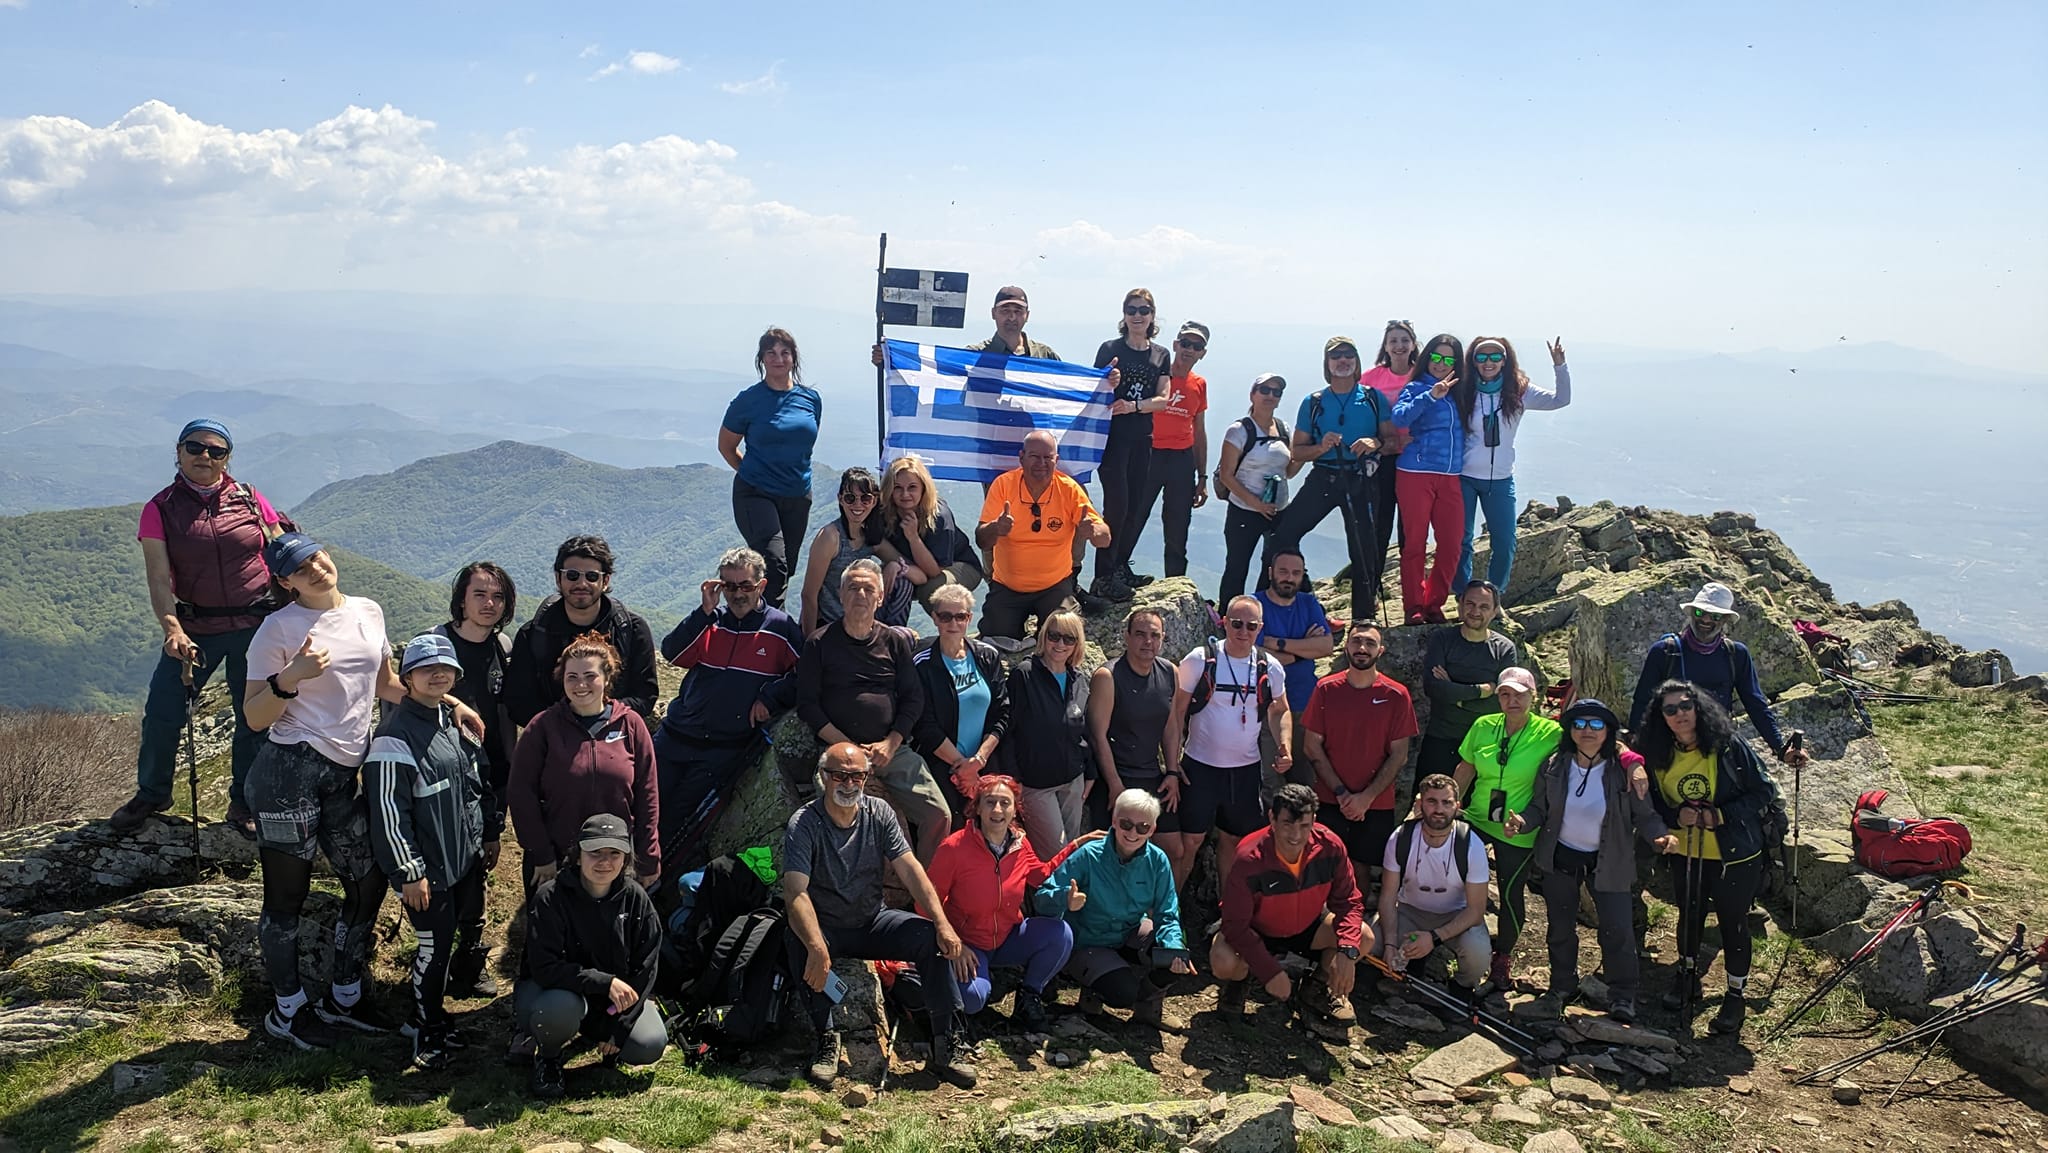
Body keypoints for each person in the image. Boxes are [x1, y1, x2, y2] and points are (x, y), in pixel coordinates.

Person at [243, 532, 482, 1049]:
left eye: (316, 556)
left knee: (370, 880)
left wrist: (449, 705)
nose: (315, 568)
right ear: (285, 582)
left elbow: (385, 686)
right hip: (288, 773)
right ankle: (287, 1011)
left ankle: (343, 998)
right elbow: (255, 716)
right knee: (287, 898)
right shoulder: (277, 629)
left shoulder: (368, 611)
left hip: (342, 774)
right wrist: (291, 677)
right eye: (299, 568)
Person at [115, 418, 285, 838]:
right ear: (178, 451)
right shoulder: (161, 508)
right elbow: (158, 577)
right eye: (195, 447)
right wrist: (171, 627)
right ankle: (152, 793)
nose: (204, 457)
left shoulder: (248, 498)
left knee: (255, 719)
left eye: (216, 451)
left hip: (257, 624)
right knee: (162, 713)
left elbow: (282, 552)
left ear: (228, 458)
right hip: (195, 628)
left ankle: (244, 802)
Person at [784, 742, 976, 1088]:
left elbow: (911, 871)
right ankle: (826, 1040)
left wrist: (943, 924)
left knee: (930, 937)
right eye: (839, 775)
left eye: (857, 776)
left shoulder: (880, 812)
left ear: (866, 777)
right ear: (823, 778)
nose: (848, 784)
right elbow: (795, 891)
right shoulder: (805, 823)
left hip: (873, 920)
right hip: (828, 926)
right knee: (797, 939)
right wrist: (816, 945)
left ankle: (948, 1042)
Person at [1503, 698, 1677, 1024]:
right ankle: (1561, 986)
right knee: (1560, 927)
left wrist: (1659, 836)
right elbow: (1539, 808)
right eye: (1579, 724)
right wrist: (1522, 823)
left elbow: (1646, 813)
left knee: (1617, 929)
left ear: (1609, 731)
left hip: (1608, 859)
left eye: (1596, 724)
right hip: (1560, 856)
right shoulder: (1554, 765)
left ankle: (1622, 995)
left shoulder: (1623, 771)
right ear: (1568, 730)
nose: (1587, 731)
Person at [364, 634, 493, 1069]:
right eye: (426, 669)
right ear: (406, 677)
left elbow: (470, 792)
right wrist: (409, 872)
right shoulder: (393, 736)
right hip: (428, 872)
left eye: (446, 669)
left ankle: (434, 1019)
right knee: (432, 950)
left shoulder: (450, 723)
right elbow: (387, 812)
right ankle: (424, 1028)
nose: (437, 675)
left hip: (459, 862)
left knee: (440, 944)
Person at [1637, 680, 1786, 1036]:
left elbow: (1764, 790)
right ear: (1661, 717)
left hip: (1735, 853)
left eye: (1685, 705)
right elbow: (1654, 804)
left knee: (1734, 922)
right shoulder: (1656, 753)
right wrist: (1675, 818)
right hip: (1685, 851)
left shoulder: (1729, 746)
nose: (1679, 714)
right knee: (1689, 915)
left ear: (1698, 707)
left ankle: (1735, 995)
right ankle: (1686, 975)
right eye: (1669, 710)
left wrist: (1719, 816)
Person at [653, 547, 802, 871]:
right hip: (676, 736)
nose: (737, 594)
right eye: (729, 586)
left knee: (679, 818)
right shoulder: (710, 622)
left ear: (761, 586)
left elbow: (805, 674)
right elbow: (672, 652)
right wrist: (703, 612)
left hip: (722, 749)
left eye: (745, 585)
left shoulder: (780, 627)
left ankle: (652, 885)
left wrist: (770, 696)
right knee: (641, 802)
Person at [794, 559, 951, 862]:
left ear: (880, 598)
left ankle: (923, 890)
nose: (861, 595)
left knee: (938, 814)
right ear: (840, 595)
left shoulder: (892, 641)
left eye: (869, 589)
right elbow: (808, 706)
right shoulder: (819, 643)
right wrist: (847, 747)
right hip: (839, 751)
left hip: (890, 750)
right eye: (853, 588)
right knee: (840, 819)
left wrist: (891, 743)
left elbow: (913, 698)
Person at [518, 814, 667, 1099]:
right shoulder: (550, 897)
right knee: (560, 1009)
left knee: (650, 1043)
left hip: (609, 1000)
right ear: (578, 856)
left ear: (625, 859)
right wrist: (604, 982)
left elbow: (646, 968)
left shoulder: (636, 898)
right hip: (553, 992)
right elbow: (544, 968)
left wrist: (620, 1026)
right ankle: (548, 1057)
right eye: (595, 852)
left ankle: (602, 1038)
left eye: (614, 853)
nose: (604, 861)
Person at [508, 631, 662, 893]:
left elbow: (648, 795)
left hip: (613, 859)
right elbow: (521, 794)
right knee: (554, 932)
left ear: (607, 678)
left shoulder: (631, 724)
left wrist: (647, 857)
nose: (581, 684)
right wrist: (541, 855)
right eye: (572, 677)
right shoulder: (543, 727)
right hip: (556, 860)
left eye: (590, 676)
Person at [923, 775, 1075, 1028]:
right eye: (990, 802)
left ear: (1015, 809)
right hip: (968, 943)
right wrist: (955, 944)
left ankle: (1029, 996)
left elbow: (1041, 875)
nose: (997, 810)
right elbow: (926, 902)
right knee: (972, 1000)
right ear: (977, 808)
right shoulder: (954, 847)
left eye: (1005, 803)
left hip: (1008, 936)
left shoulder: (1020, 842)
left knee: (1061, 934)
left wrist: (1075, 847)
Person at [429, 562, 517, 997]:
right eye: (479, 594)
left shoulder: (503, 645)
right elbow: (409, 691)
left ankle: (471, 957)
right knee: (444, 864)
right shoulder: (437, 642)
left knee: (481, 860)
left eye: (497, 596)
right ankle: (436, 960)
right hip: (445, 774)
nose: (489, 603)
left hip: (494, 772)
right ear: (461, 597)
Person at [1163, 595, 1290, 893]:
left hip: (1244, 772)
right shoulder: (1200, 660)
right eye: (1236, 623)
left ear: (1260, 628)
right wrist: (1171, 766)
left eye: (1251, 625)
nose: (1243, 631)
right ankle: (1171, 911)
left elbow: (1279, 709)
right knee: (1189, 842)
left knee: (1234, 841)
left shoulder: (1268, 667)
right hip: (1200, 768)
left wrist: (1285, 744)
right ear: (1224, 623)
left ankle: (1227, 909)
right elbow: (1176, 713)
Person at [1212, 784, 1370, 1023]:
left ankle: (1315, 987)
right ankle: (1238, 983)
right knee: (1223, 960)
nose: (1296, 835)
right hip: (1257, 929)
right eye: (1287, 824)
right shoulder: (1249, 857)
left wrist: (1347, 951)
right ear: (1272, 819)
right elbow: (1234, 925)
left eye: (1304, 826)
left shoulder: (1331, 846)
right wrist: (1270, 972)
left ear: (1314, 820)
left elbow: (1349, 901)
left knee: (1364, 937)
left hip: (1308, 925)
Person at [1033, 788, 1195, 1017]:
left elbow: (1167, 914)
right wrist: (1064, 900)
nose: (1133, 833)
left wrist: (1174, 948)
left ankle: (1147, 1005)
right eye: (1126, 824)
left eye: (1143, 827)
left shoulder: (1158, 860)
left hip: (1128, 932)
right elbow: (1042, 898)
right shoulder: (1088, 855)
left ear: (1153, 829)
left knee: (1175, 956)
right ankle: (1097, 990)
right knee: (1122, 992)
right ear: (1114, 821)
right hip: (1087, 942)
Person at [1266, 337, 1395, 618]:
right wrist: (1321, 447)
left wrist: (1375, 443)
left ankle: (1363, 620)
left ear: (1357, 361)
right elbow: (1297, 452)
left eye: (1348, 355)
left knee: (1363, 551)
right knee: (1284, 534)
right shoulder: (1313, 402)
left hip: (1363, 478)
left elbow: (1393, 442)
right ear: (1327, 364)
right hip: (1324, 476)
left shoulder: (1373, 398)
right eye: (1336, 356)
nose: (1342, 361)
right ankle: (1305, 598)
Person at [1452, 666, 1560, 998]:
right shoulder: (1484, 726)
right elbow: (1467, 766)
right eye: (1505, 694)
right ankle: (1450, 938)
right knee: (1450, 871)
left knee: (1511, 892)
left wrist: (1631, 761)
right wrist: (1450, 803)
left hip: (1518, 827)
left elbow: (1595, 742)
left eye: (1520, 694)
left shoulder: (1552, 732)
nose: (1512, 700)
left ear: (1534, 696)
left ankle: (1502, 957)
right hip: (1478, 817)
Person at [1628, 582, 1810, 767]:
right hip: (1671, 747)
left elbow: (1755, 704)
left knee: (1763, 791)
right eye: (1700, 613)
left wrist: (1780, 748)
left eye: (1715, 616)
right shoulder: (1665, 652)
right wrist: (1634, 756)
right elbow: (1643, 702)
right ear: (1691, 613)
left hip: (1718, 745)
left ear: (1725, 620)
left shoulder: (1736, 654)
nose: (1706, 620)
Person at [1453, 337, 1572, 598]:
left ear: (1505, 361)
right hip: (1463, 477)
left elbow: (1561, 400)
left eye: (1495, 357)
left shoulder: (1519, 390)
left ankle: (1493, 596)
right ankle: (1463, 596)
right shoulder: (1463, 389)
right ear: (1472, 361)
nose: (1488, 363)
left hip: (1500, 479)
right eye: (1481, 357)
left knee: (1505, 541)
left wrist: (1560, 366)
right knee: (1461, 541)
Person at [975, 431, 1113, 649]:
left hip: (1054, 586)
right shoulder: (1003, 485)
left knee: (1062, 636)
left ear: (1056, 460)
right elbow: (982, 540)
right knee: (995, 637)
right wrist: (995, 528)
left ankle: (1069, 604)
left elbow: (1104, 538)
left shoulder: (1069, 489)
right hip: (1008, 587)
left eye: (1048, 457)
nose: (1042, 463)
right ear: (1021, 458)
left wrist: (1095, 532)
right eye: (1034, 456)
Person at [1302, 624, 1418, 877]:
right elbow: (1311, 746)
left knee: (1361, 869)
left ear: (1381, 650)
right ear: (1346, 646)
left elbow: (1400, 754)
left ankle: (1356, 916)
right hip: (1329, 798)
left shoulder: (1397, 695)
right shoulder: (1326, 689)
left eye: (1370, 643)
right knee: (1325, 865)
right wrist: (1342, 793)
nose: (1362, 648)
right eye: (1356, 641)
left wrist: (1366, 797)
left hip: (1376, 803)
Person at [505, 536, 660, 725]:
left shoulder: (631, 630)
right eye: (572, 575)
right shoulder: (533, 634)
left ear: (606, 580)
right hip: (553, 743)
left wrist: (599, 717)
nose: (581, 584)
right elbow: (519, 702)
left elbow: (645, 696)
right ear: (558, 578)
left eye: (592, 576)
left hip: (613, 739)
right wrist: (565, 725)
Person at [721, 327, 823, 608]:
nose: (779, 358)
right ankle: (770, 629)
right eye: (771, 353)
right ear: (762, 359)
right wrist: (751, 474)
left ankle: (753, 614)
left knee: (784, 568)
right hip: (755, 493)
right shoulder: (748, 401)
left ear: (793, 358)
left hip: (797, 494)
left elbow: (803, 443)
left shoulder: (810, 399)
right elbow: (726, 446)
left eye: (785, 352)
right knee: (774, 563)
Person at [1086, 609, 1184, 880]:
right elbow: (1098, 735)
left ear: (1163, 639)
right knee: (1118, 857)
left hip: (1153, 774)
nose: (1147, 641)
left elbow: (1171, 726)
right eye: (1140, 634)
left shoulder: (1169, 672)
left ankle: (1160, 917)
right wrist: (1115, 785)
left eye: (1155, 635)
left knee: (1174, 850)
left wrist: (1173, 772)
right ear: (1126, 637)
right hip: (1116, 776)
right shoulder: (1109, 676)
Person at [1091, 288, 1173, 601]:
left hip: (1142, 439)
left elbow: (1163, 400)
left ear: (1152, 316)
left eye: (1144, 310)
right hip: (1112, 441)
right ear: (1124, 315)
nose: (1137, 316)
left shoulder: (1160, 354)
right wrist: (1106, 382)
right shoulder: (1110, 349)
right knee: (1117, 506)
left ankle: (1120, 567)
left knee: (1136, 506)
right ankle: (1103, 577)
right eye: (1132, 310)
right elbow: (1093, 389)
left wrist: (1133, 405)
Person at [1378, 774, 1493, 995]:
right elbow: (1388, 896)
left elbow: (1476, 911)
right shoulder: (1401, 838)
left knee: (1478, 954)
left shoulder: (1471, 845)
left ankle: (1461, 987)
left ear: (1457, 807)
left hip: (1454, 916)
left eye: (1446, 802)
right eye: (1432, 802)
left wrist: (1434, 937)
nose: (1439, 809)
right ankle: (1411, 962)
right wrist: (1390, 945)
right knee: (1373, 943)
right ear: (1420, 804)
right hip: (1410, 912)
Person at [910, 583, 1010, 824]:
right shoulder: (922, 663)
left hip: (983, 764)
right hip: (940, 767)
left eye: (960, 616)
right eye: (945, 617)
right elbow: (924, 724)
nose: (953, 624)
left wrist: (978, 762)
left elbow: (1002, 712)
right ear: (934, 618)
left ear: (969, 618)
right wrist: (962, 767)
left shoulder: (987, 656)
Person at [999, 611, 1094, 859]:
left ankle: (1066, 898)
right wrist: (1013, 779)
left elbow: (1084, 730)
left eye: (1069, 638)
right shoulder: (1025, 674)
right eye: (1054, 636)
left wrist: (1090, 772)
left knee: (1071, 849)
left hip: (1073, 779)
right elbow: (1009, 730)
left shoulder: (1078, 680)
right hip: (1036, 783)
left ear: (1077, 644)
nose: (1060, 644)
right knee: (1055, 854)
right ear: (1044, 636)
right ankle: (1048, 897)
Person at [1390, 334, 1467, 623]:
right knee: (1415, 543)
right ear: (1428, 358)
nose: (1441, 363)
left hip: (1451, 476)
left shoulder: (1461, 392)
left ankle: (1435, 604)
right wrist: (1431, 395)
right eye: (1437, 357)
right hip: (1415, 473)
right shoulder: (1417, 387)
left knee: (1451, 543)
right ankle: (1414, 607)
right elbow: (1399, 418)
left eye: (1449, 359)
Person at [1129, 321, 1210, 582]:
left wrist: (1203, 477)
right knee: (1134, 515)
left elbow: (1199, 431)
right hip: (1149, 453)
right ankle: (1116, 572)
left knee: (1177, 525)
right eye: (1185, 343)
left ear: (1202, 353)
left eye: (1196, 346)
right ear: (1176, 345)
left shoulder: (1199, 384)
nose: (1189, 349)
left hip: (1181, 460)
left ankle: (1175, 582)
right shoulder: (1159, 373)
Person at [1418, 581, 1520, 780]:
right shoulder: (1442, 639)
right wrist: (1482, 690)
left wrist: (1456, 695)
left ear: (1494, 611)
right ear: (1460, 604)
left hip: (1486, 744)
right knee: (1426, 806)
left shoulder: (1504, 649)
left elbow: (1503, 703)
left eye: (1484, 607)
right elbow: (1433, 688)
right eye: (1470, 604)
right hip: (1441, 740)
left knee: (1475, 810)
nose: (1475, 611)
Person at [1214, 373, 1301, 605]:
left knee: (1273, 566)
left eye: (1276, 392)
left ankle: (1262, 615)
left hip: (1277, 510)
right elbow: (1226, 475)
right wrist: (1256, 504)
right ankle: (1228, 617)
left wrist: (1307, 452)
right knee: (1237, 566)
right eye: (1265, 390)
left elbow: (1289, 472)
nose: (1270, 396)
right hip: (1244, 510)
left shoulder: (1284, 429)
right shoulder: (1239, 430)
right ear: (1253, 394)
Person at [800, 466, 914, 638]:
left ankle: (889, 644)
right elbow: (809, 594)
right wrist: (809, 643)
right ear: (840, 500)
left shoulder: (870, 537)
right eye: (850, 498)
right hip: (831, 625)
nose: (858, 504)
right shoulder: (830, 537)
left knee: (903, 583)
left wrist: (896, 566)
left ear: (874, 501)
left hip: (863, 620)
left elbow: (917, 573)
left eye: (865, 498)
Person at [1254, 549, 1333, 787]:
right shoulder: (1255, 604)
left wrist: (1276, 643)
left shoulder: (1308, 603)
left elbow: (1326, 646)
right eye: (1283, 571)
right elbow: (1254, 654)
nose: (1289, 578)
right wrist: (1303, 649)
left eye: (1296, 573)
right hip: (1265, 706)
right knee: (1269, 779)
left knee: (1304, 779)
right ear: (1270, 573)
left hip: (1303, 704)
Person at [875, 455, 984, 620]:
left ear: (923, 488)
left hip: (958, 566)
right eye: (897, 487)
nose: (905, 494)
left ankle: (951, 634)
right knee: (891, 582)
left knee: (932, 591)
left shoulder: (938, 516)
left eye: (912, 487)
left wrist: (913, 538)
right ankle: (891, 634)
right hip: (913, 566)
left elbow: (933, 571)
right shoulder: (885, 512)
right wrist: (897, 567)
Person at [1361, 322, 1421, 569]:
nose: (1399, 346)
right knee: (1379, 524)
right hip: (1382, 458)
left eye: (1404, 340)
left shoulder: (1423, 375)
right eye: (1393, 341)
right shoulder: (1370, 378)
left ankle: (1412, 588)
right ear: (1385, 346)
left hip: (1415, 460)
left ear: (1413, 344)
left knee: (1411, 527)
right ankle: (1372, 587)